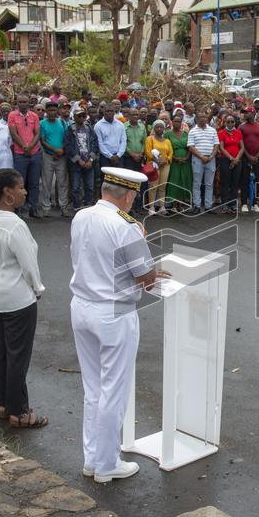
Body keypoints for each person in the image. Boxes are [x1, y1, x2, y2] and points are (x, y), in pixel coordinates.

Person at [71, 166, 166, 483]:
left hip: (82, 305)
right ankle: (107, 464)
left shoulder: (82, 215)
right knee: (113, 390)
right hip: (113, 312)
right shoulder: (125, 227)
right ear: (128, 195)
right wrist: (146, 249)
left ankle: (93, 458)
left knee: (94, 389)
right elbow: (146, 279)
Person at [0, 169, 47, 428]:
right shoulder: (14, 224)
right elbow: (29, 265)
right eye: (20, 187)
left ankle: (4, 404)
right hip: (17, 298)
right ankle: (19, 412)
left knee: (4, 353)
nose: (25, 191)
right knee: (18, 356)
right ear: (8, 193)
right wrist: (38, 289)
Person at [8, 95, 42, 218]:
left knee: (34, 182)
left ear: (29, 103)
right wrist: (24, 146)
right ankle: (19, 209)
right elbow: (13, 133)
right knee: (20, 183)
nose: (23, 104)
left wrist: (31, 147)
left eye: (25, 102)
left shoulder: (34, 116)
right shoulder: (12, 115)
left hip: (34, 153)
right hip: (20, 153)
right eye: (20, 101)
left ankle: (34, 208)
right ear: (17, 102)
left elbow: (37, 133)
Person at [39, 105, 71, 217]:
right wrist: (54, 150)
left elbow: (66, 138)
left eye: (54, 110)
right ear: (46, 111)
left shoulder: (62, 122)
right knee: (46, 182)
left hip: (61, 156)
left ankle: (63, 207)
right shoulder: (42, 123)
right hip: (48, 156)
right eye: (50, 110)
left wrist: (61, 150)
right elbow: (42, 141)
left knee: (62, 182)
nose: (52, 112)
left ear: (57, 111)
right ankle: (46, 208)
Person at [65, 109, 97, 210]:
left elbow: (95, 145)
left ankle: (87, 206)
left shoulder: (89, 129)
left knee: (90, 187)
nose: (82, 118)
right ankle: (76, 206)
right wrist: (78, 159)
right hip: (76, 163)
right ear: (74, 117)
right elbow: (68, 146)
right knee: (75, 187)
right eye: (79, 116)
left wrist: (91, 160)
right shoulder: (70, 129)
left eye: (83, 116)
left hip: (89, 162)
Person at [187, 114, 219, 214]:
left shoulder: (212, 130)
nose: (203, 118)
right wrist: (202, 157)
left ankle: (208, 206)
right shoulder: (192, 131)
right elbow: (191, 147)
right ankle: (196, 205)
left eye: (204, 117)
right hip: (197, 159)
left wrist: (211, 157)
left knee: (209, 184)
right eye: (201, 117)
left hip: (210, 159)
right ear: (197, 119)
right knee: (197, 183)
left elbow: (216, 145)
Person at [239, 109, 259, 213]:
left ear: (253, 113)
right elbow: (240, 143)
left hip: (257, 158)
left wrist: (257, 156)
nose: (245, 114)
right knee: (245, 180)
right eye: (244, 113)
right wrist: (249, 156)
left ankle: (254, 203)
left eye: (247, 112)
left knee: (256, 180)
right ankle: (244, 203)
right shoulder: (241, 126)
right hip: (245, 157)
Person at [144, 120, 173, 215]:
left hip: (165, 165)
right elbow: (148, 152)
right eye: (157, 127)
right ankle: (151, 207)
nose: (159, 129)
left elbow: (170, 153)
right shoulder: (150, 139)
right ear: (154, 128)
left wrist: (166, 160)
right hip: (154, 165)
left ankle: (162, 206)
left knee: (162, 186)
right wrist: (157, 161)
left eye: (161, 127)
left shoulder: (167, 141)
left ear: (164, 128)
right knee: (153, 186)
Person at [217, 114, 244, 214]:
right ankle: (225, 204)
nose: (230, 123)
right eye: (228, 121)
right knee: (225, 182)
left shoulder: (238, 133)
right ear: (224, 123)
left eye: (232, 121)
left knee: (235, 183)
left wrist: (236, 159)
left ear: (235, 122)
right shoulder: (221, 133)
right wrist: (231, 158)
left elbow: (242, 147)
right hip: (225, 160)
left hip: (237, 160)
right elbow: (221, 148)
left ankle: (233, 204)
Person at [165, 117, 191, 212]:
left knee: (184, 181)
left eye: (179, 121)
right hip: (173, 161)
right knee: (174, 181)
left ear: (181, 123)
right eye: (175, 121)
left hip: (185, 161)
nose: (177, 123)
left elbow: (190, 147)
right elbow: (166, 149)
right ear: (172, 122)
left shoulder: (186, 134)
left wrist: (186, 158)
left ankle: (181, 204)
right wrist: (175, 158)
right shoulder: (167, 134)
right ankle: (174, 204)